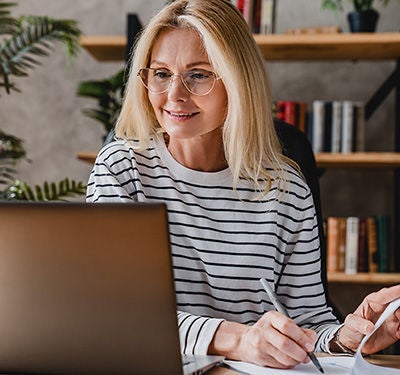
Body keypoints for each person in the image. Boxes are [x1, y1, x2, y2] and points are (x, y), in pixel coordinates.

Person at [86, 0, 400, 369]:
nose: (173, 95)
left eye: (198, 75)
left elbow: (307, 324)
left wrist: (348, 338)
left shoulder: (286, 189)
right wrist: (238, 339)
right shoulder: (121, 170)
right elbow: (116, 312)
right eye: (160, 73)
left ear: (237, 82)